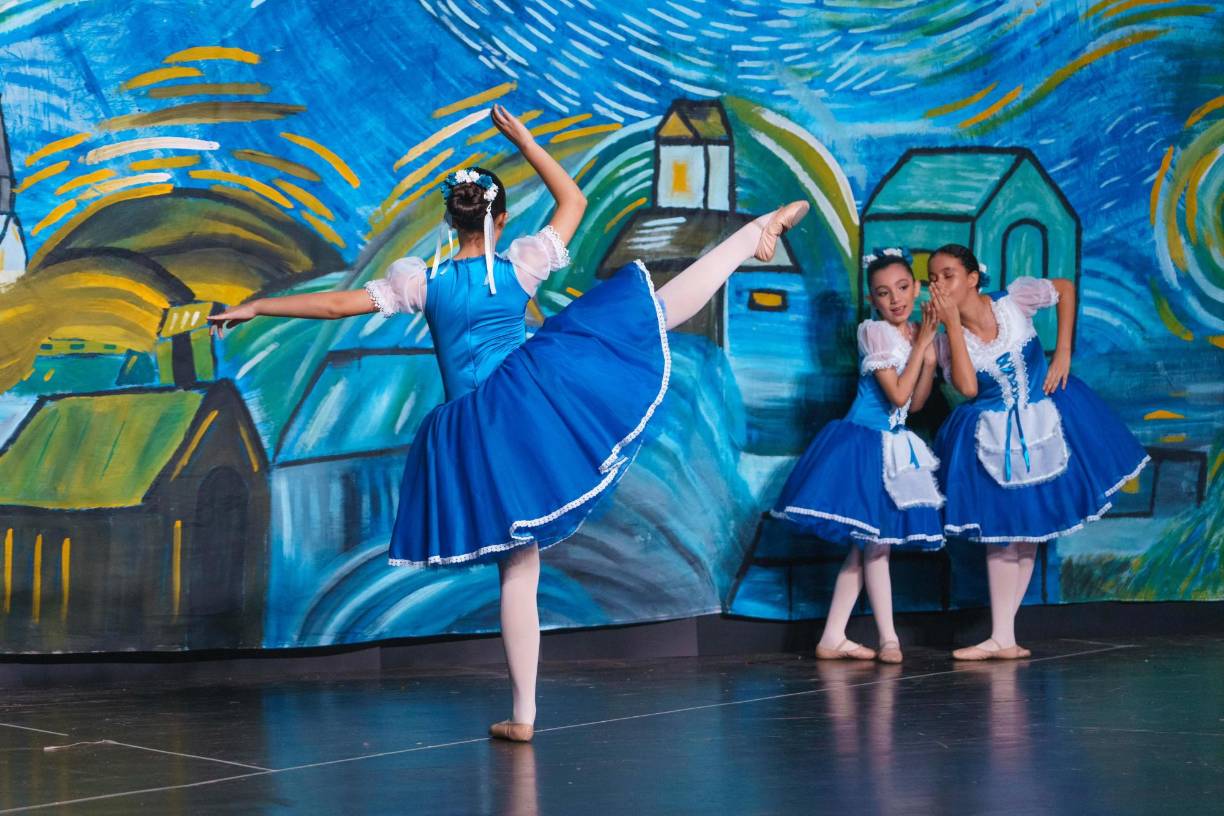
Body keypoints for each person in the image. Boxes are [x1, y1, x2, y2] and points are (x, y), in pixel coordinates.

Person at [210, 104, 811, 739]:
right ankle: (750, 238)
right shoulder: (520, 264)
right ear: (499, 219)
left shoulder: (424, 280)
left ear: (452, 220)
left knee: (518, 569)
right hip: (526, 399)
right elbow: (573, 200)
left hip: (476, 425)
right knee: (652, 312)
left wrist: (258, 305)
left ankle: (524, 713)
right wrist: (525, 139)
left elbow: (335, 305)